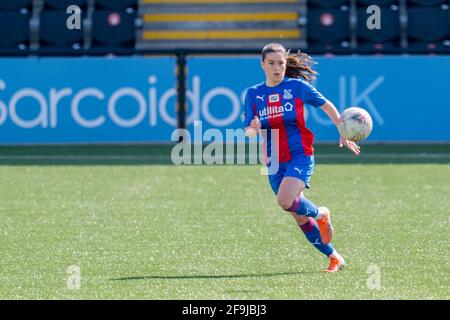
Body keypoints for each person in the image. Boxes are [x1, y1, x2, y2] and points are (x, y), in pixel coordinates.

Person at [244, 43, 360, 273]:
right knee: (298, 216)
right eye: (272, 63)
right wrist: (254, 127)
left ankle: (321, 213)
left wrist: (342, 128)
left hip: (300, 153)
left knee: (285, 201)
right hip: (274, 160)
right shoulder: (254, 94)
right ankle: (335, 257)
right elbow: (248, 131)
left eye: (281, 63)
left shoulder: (296, 87)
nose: (277, 68)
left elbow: (326, 105)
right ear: (262, 65)